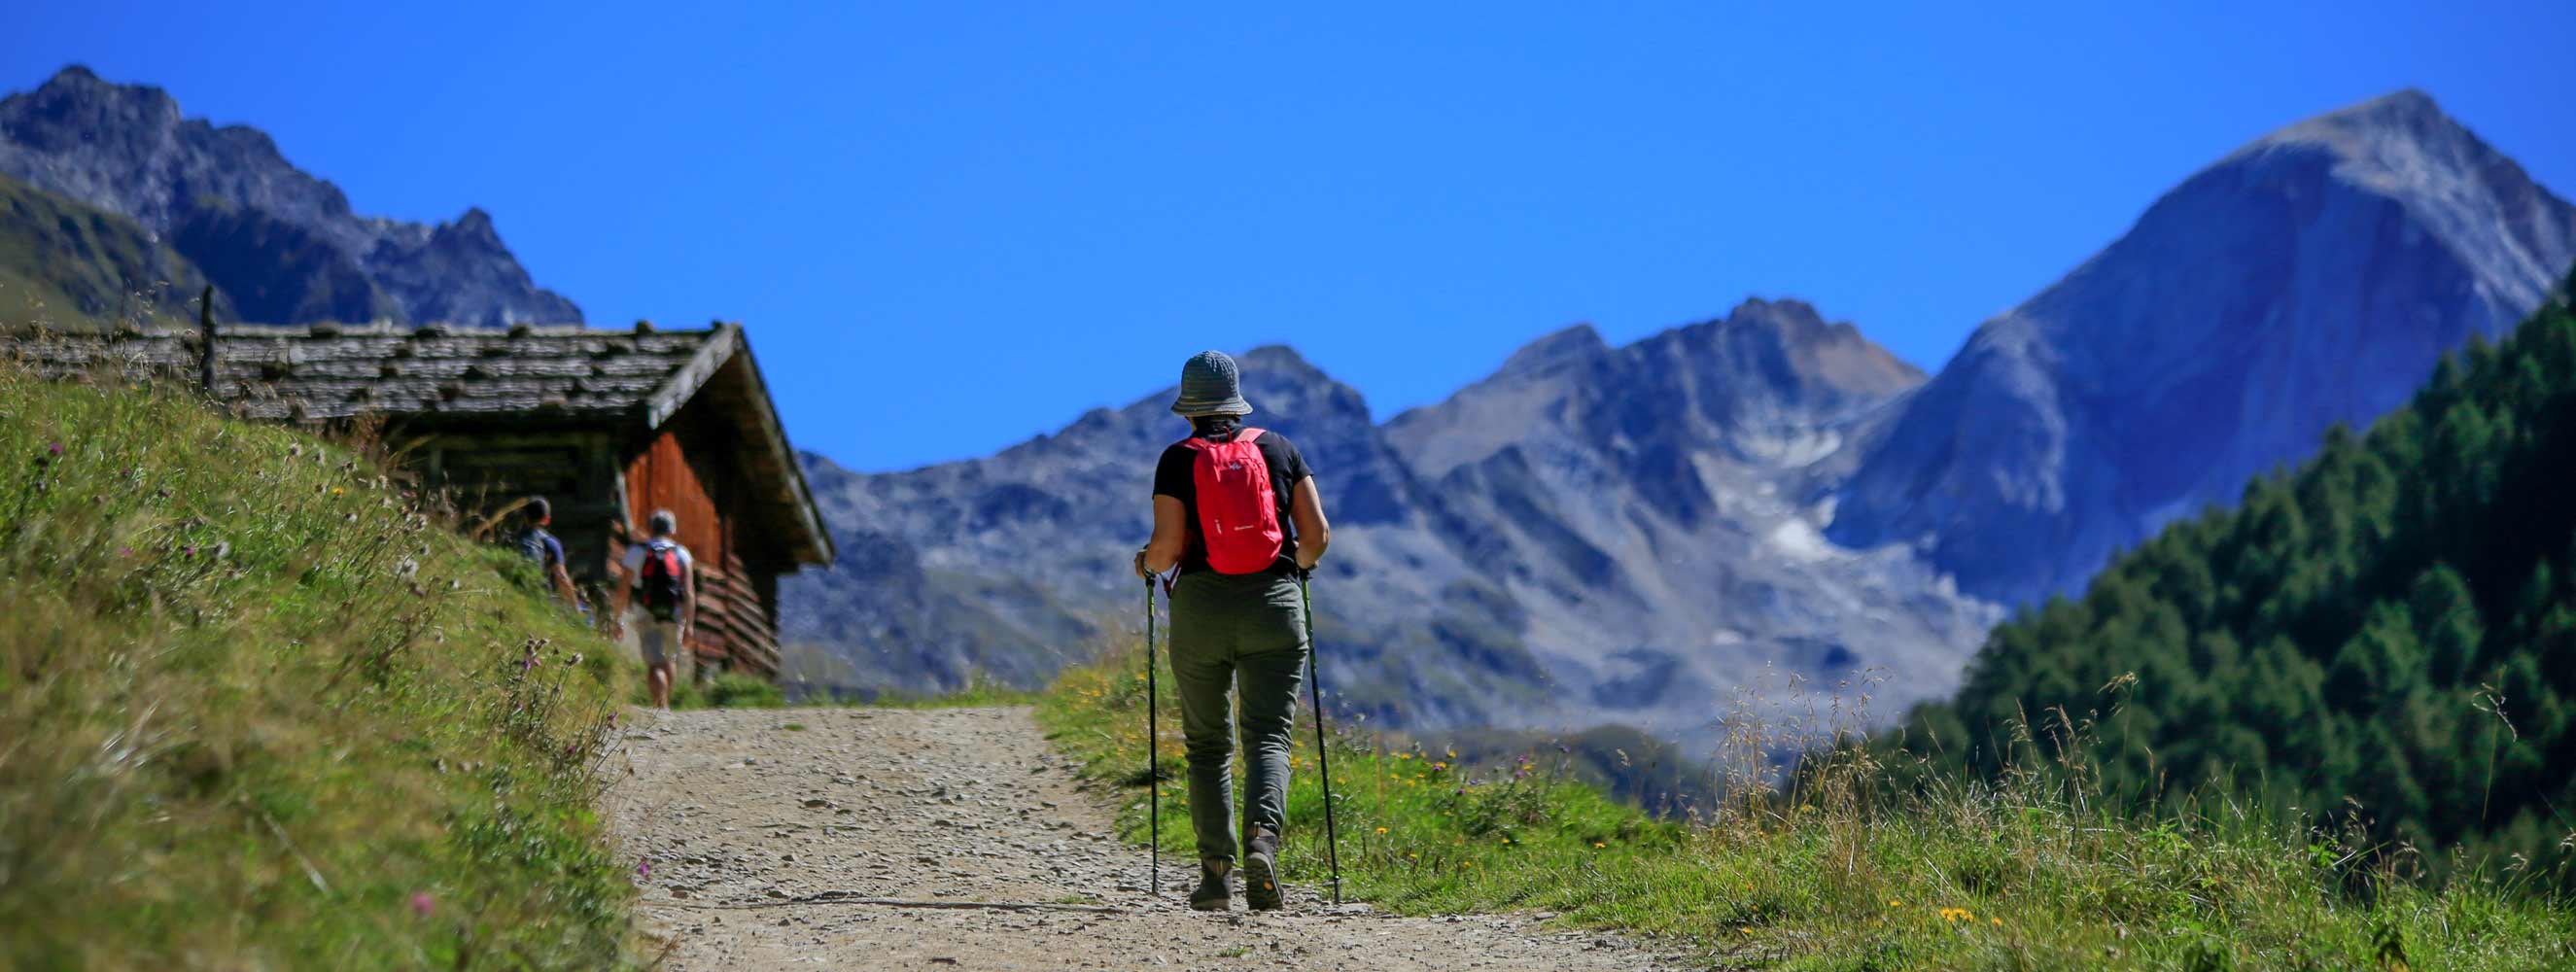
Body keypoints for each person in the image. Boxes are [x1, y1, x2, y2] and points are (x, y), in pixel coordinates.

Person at [1133, 350, 1332, 912]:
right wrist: (1296, 568)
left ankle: (1216, 877)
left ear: (1189, 409)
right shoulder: (1280, 449)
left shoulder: (1178, 459)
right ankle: (1262, 844)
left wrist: (1145, 565)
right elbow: (1317, 536)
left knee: (1207, 745)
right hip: (1274, 605)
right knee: (1268, 736)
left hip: (1201, 610)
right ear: (1237, 404)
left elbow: (1167, 549)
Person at [613, 509, 697, 710]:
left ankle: (660, 707)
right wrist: (689, 625)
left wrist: (617, 618)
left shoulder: (636, 551)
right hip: (674, 614)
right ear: (672, 529)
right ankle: (665, 703)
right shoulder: (682, 553)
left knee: (655, 663)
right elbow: (689, 592)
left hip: (645, 612)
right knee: (670, 660)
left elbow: (624, 589)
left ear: (651, 528)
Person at [515, 497, 581, 607]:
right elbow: (561, 577)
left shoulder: (514, 538)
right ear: (546, 520)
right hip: (537, 596)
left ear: (525, 516)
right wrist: (576, 610)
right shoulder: (550, 541)